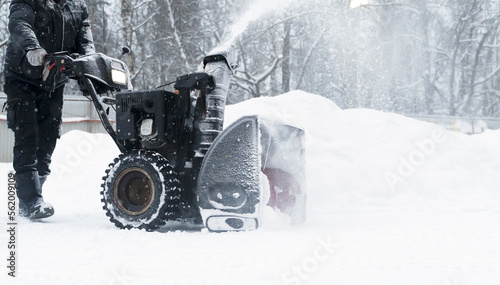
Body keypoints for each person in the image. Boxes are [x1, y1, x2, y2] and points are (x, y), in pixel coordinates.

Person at [3, 0, 95, 219]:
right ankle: (30, 200)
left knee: (49, 136)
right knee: (27, 135)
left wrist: (91, 67)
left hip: (54, 79)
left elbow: (86, 44)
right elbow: (19, 23)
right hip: (21, 77)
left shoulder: (77, 7)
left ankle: (36, 191)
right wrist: (32, 47)